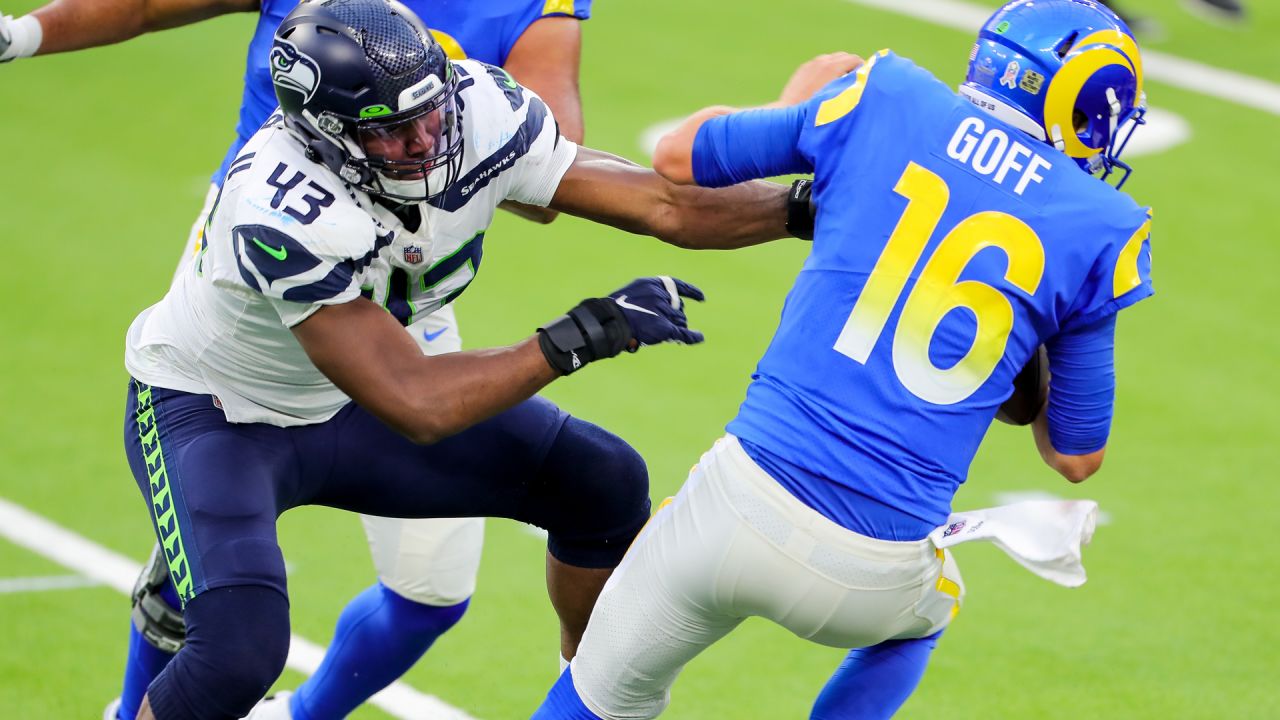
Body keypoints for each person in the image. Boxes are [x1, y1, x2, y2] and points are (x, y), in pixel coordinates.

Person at [114, 0, 830, 716]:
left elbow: (664, 206)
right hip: (218, 415)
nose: (426, 139)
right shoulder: (278, 203)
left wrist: (804, 210)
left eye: (429, 111)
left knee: (601, 485)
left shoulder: (475, 107)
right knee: (237, 657)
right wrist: (577, 336)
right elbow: (415, 403)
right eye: (392, 131)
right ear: (327, 136)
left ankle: (589, 701)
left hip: (346, 403)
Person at [533, 0, 1155, 718]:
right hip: (876, 572)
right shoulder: (1103, 228)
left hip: (735, 507)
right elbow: (1075, 455)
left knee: (599, 695)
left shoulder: (888, 96)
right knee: (927, 616)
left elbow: (678, 156)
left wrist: (796, 104)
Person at [3, 0, 596, 718]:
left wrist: (454, 126)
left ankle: (294, 712)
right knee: (231, 631)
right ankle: (143, 688)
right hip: (264, 262)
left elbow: (549, 174)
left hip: (404, 290)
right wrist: (20, 34)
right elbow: (151, 5)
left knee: (432, 591)